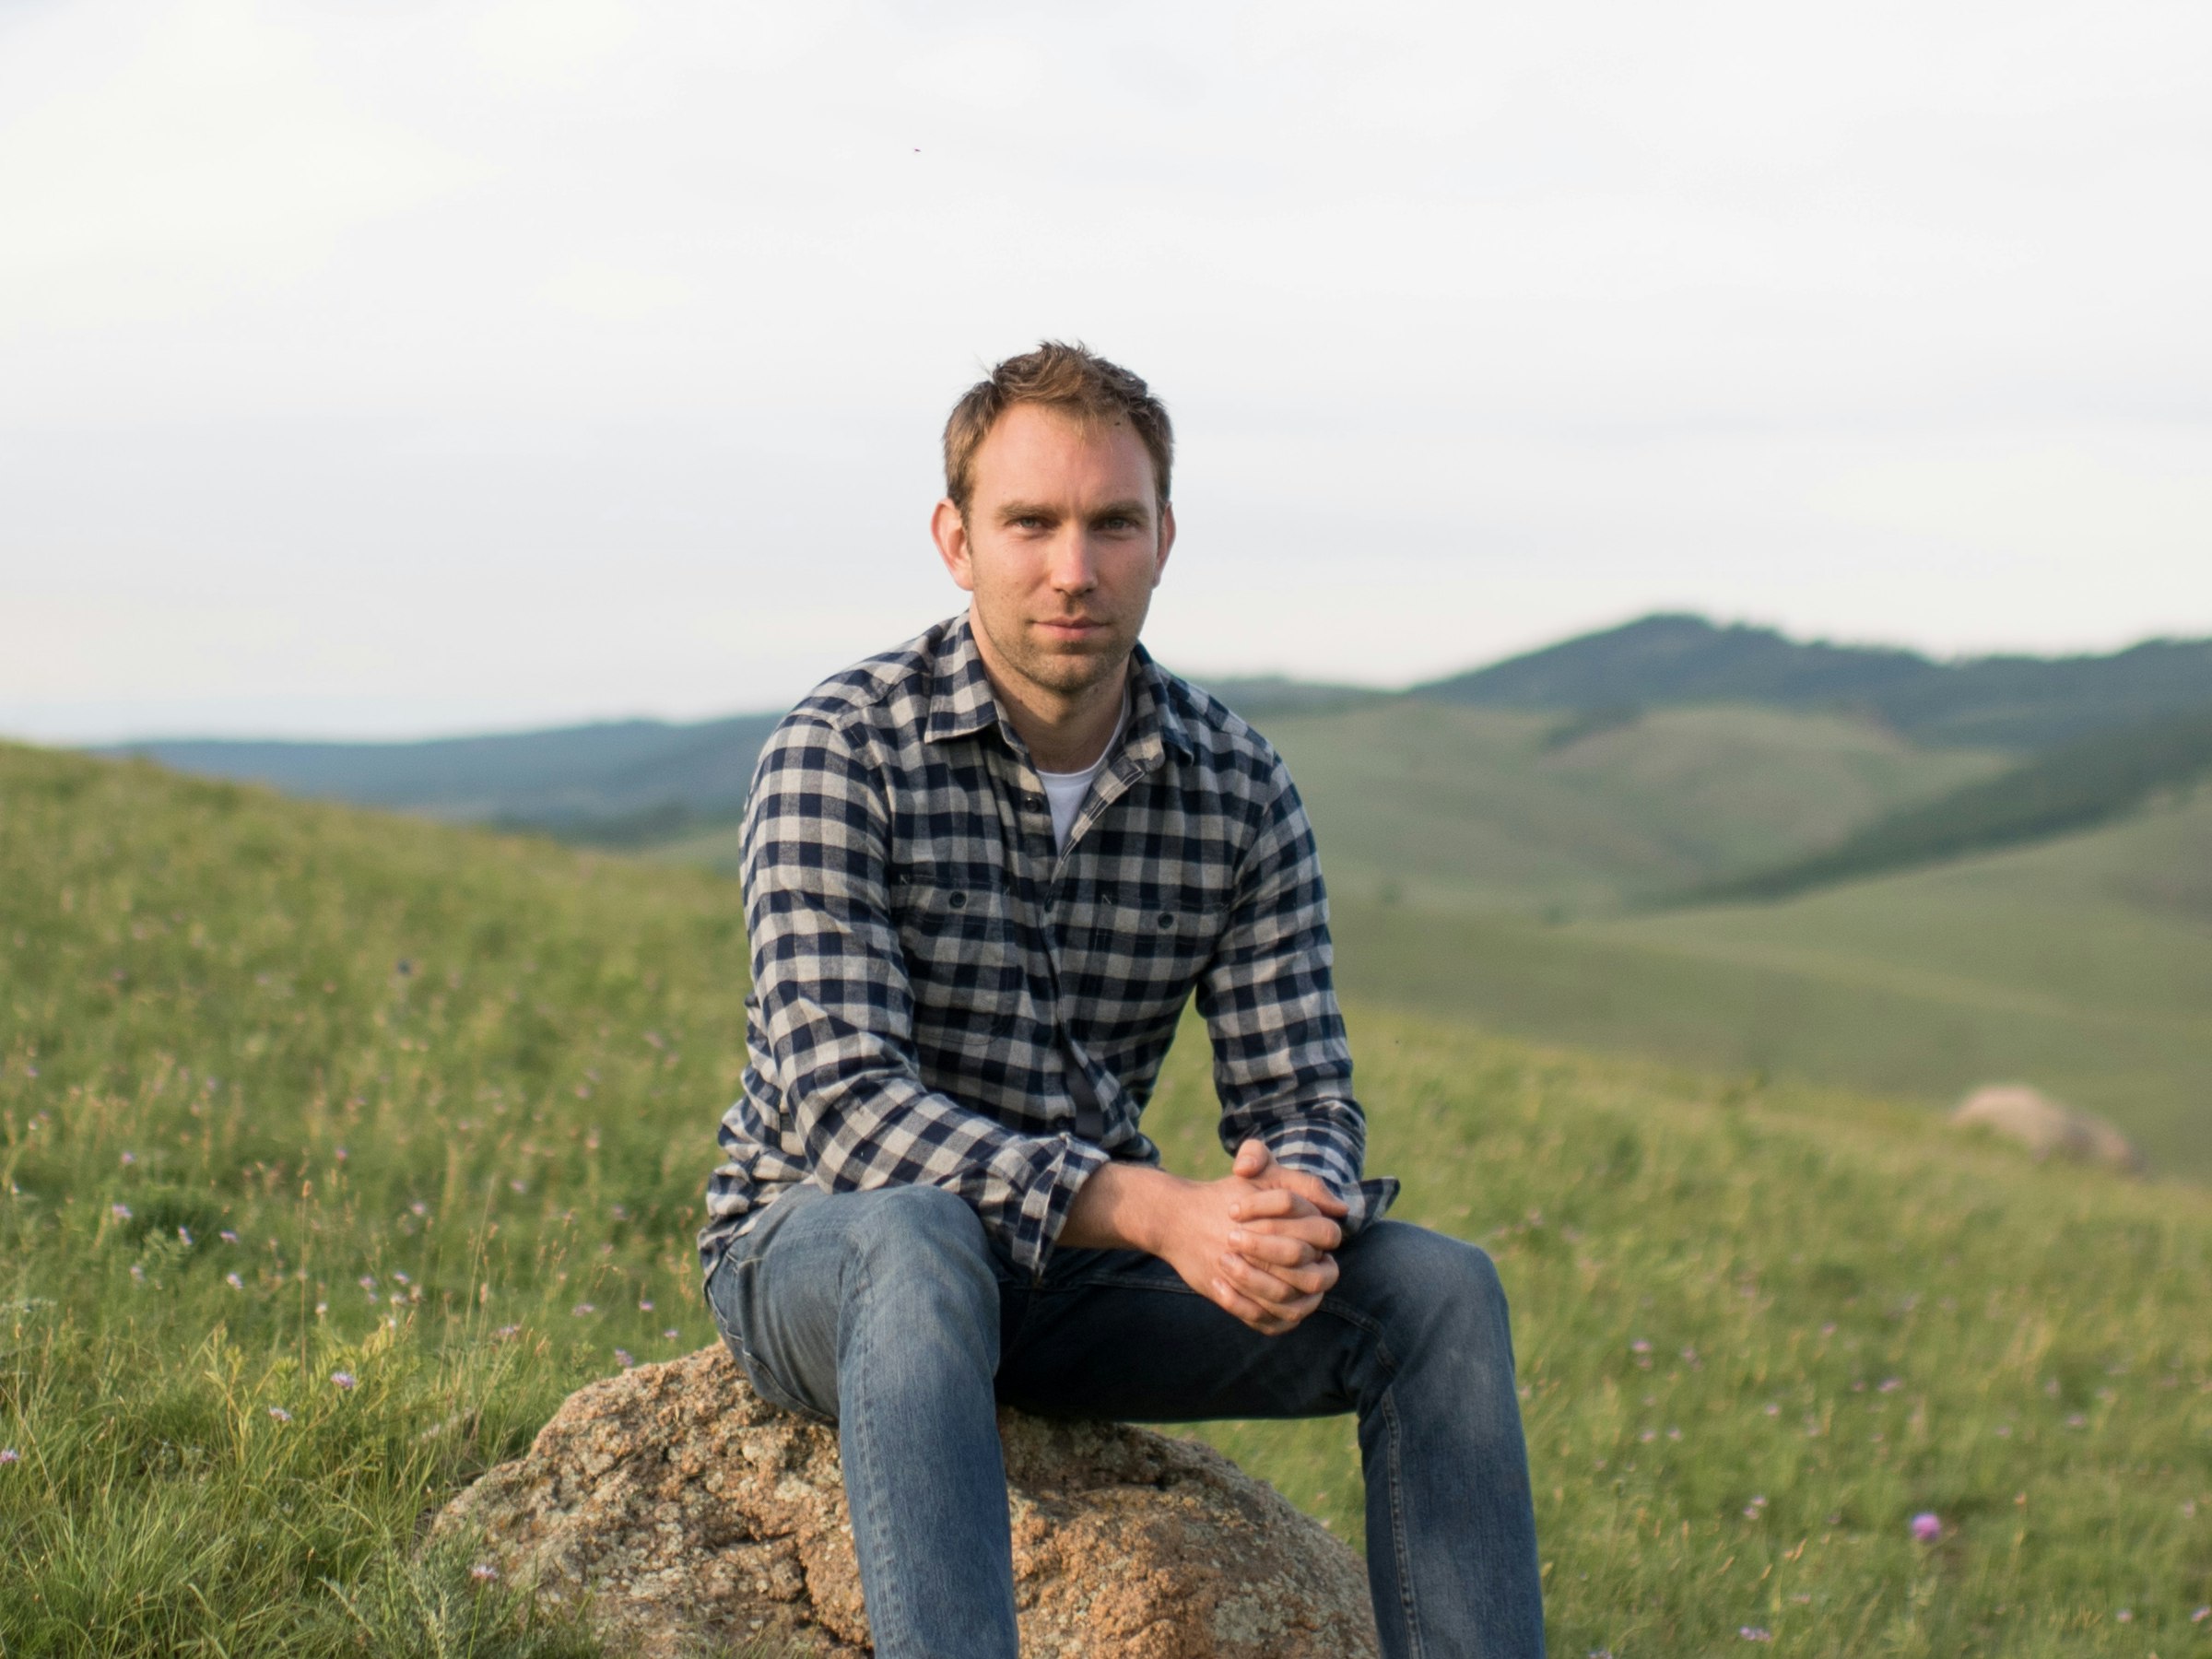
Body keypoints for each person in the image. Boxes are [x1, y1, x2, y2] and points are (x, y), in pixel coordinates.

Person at [700, 341, 1544, 1659]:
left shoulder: (1238, 785)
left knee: (1440, 1291)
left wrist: (1287, 1210)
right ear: (955, 539)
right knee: (919, 1241)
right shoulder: (838, 751)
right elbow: (853, 1118)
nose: (1072, 569)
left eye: (1112, 524)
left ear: (1164, 540)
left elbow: (1302, 1086)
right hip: (825, 1257)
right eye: (1028, 522)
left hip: (1076, 1286)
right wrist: (1155, 1208)